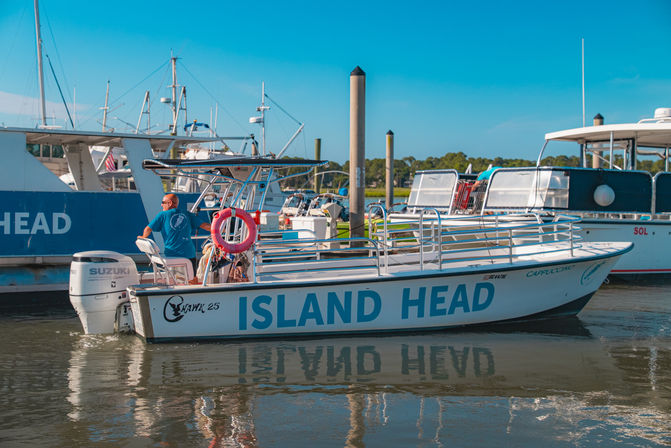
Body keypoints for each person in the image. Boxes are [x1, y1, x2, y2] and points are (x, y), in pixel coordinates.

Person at [138, 193, 211, 279]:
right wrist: (220, 230)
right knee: (192, 278)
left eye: (163, 202)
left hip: (172, 255)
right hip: (189, 254)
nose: (161, 205)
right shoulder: (187, 214)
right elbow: (205, 226)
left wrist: (143, 237)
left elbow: (147, 229)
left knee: (175, 278)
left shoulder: (162, 215)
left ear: (170, 203)